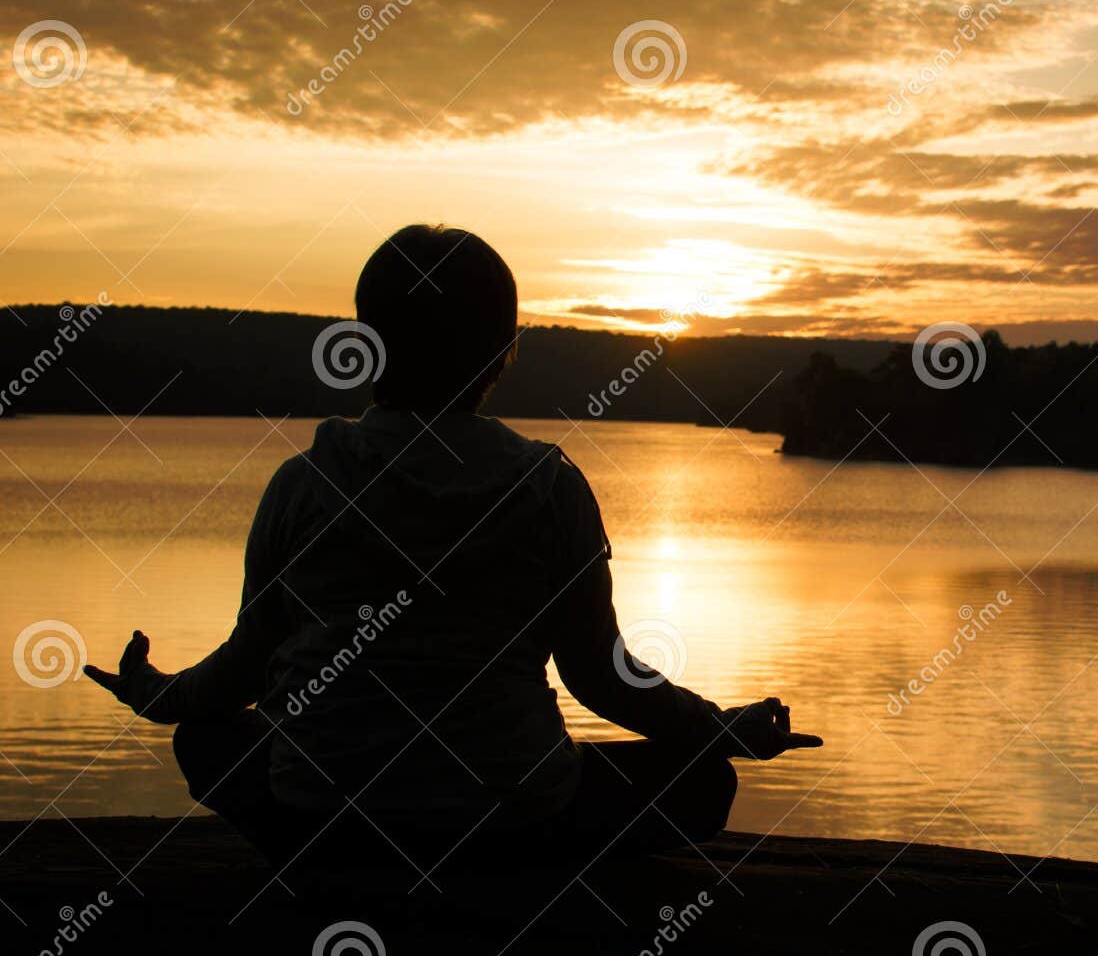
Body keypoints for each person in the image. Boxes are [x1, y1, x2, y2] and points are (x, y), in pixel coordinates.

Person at [84, 224, 821, 874]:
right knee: (706, 780)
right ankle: (501, 882)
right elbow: (602, 677)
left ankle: (351, 875)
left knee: (205, 742)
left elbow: (238, 674)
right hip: (509, 828)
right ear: (505, 351)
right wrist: (724, 728)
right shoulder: (549, 488)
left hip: (324, 826)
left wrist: (157, 693)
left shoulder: (302, 484)